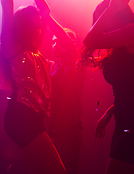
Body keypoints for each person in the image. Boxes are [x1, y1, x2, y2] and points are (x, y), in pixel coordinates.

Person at [0, 0, 66, 174]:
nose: (38, 30)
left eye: (38, 27)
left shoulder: (34, 50)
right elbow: (7, 6)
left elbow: (45, 11)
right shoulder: (13, 48)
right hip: (20, 116)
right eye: (33, 26)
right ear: (22, 26)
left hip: (33, 118)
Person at [82, 0, 134, 174]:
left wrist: (110, 8)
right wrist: (111, 111)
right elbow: (130, 87)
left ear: (116, 14)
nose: (101, 29)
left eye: (103, 20)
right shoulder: (121, 46)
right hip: (127, 123)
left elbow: (90, 40)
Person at [44, 16, 86, 173]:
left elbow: (66, 41)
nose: (56, 44)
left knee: (67, 168)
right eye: (53, 41)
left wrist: (45, 15)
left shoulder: (76, 61)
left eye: (59, 40)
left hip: (68, 127)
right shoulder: (52, 66)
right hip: (51, 127)